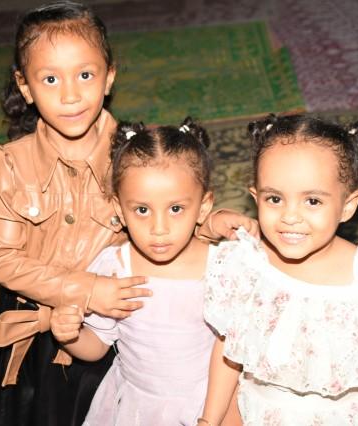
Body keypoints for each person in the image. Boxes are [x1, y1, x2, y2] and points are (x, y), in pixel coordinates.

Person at [0, 2, 256, 425]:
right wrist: (88, 289)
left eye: (85, 75)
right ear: (25, 86)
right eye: (50, 79)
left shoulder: (131, 156)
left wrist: (207, 222)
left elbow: (165, 204)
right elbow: (2, 259)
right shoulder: (5, 165)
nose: (70, 95)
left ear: (109, 76)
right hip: (38, 330)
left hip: (116, 328)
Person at [198, 114, 358, 425]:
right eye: (274, 199)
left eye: (312, 201)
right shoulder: (248, 264)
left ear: (348, 205)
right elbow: (229, 351)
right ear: (255, 197)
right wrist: (212, 419)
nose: (290, 217)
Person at [52, 118, 251, 425]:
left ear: (203, 207)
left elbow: (233, 356)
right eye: (142, 210)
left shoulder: (222, 267)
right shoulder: (115, 266)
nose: (159, 228)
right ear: (120, 210)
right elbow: (97, 347)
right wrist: (69, 335)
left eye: (176, 209)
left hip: (210, 402)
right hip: (136, 407)